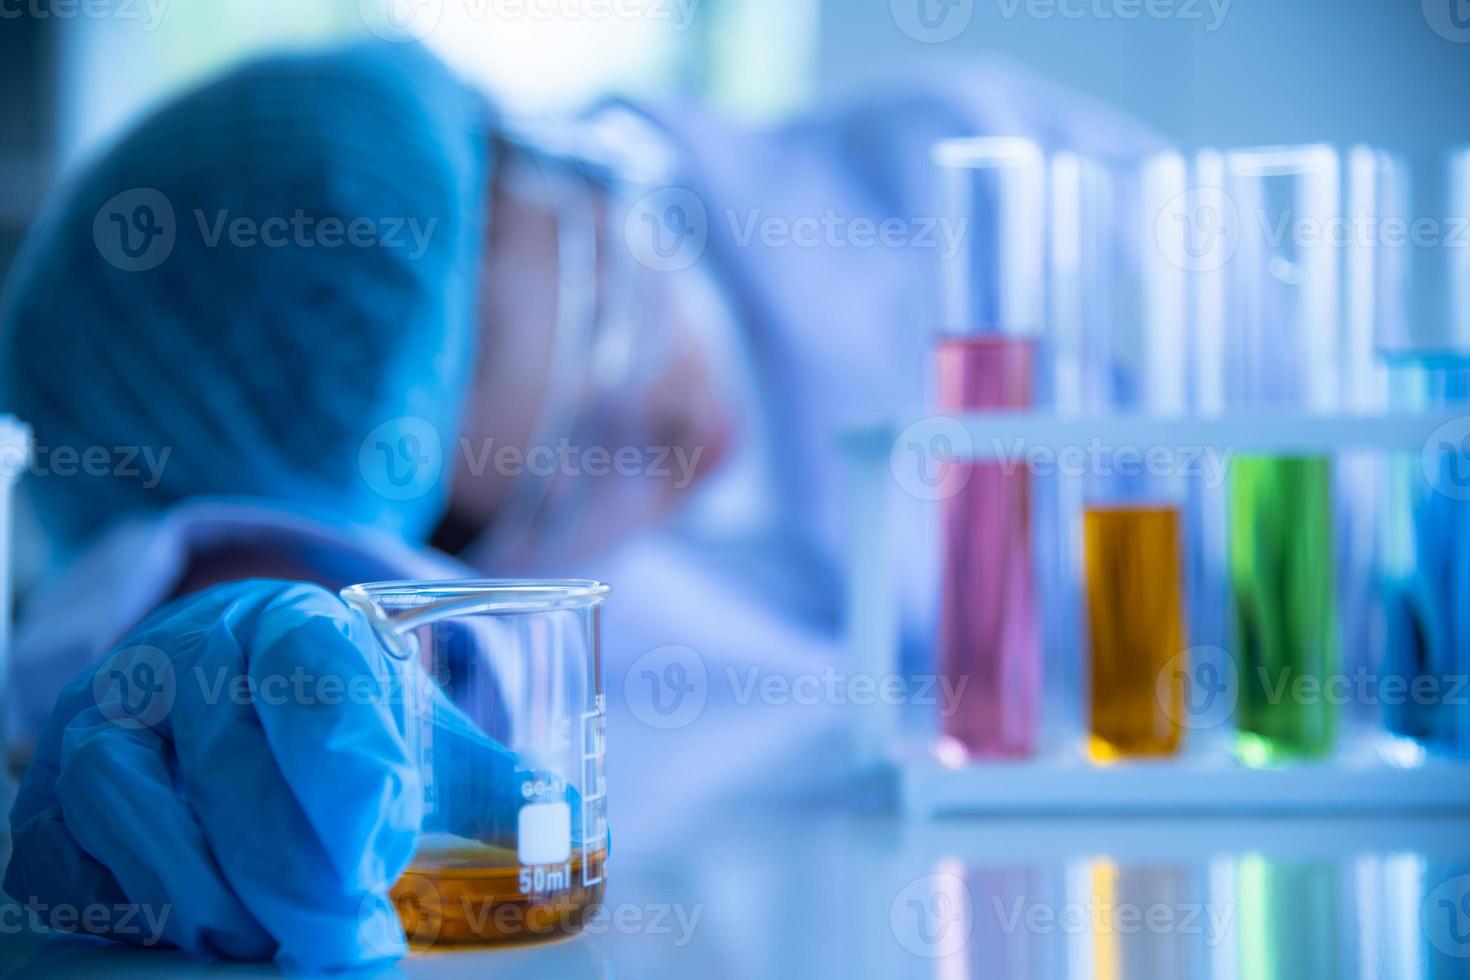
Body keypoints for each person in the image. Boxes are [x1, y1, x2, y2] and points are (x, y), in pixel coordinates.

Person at [0, 39, 1161, 967]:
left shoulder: (964, 177)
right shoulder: (466, 658)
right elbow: (161, 641)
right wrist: (185, 671)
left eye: (600, 316)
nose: (654, 434)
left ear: (560, 162)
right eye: (557, 476)